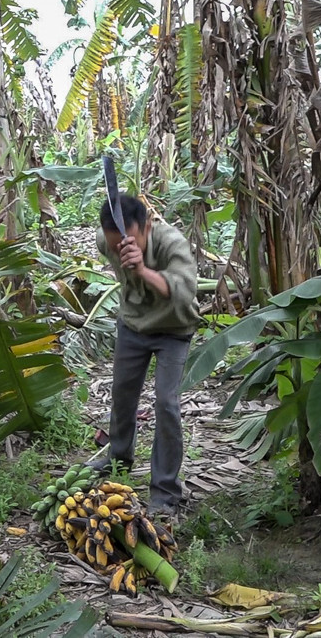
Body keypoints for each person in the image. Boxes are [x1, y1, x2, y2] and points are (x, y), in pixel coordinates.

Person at [87, 191, 202, 521]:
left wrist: (142, 269)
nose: (119, 249)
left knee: (167, 403)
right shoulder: (104, 240)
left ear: (147, 226)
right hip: (133, 326)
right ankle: (118, 457)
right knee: (122, 393)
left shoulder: (171, 243)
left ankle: (166, 491)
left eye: (128, 241)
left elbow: (184, 290)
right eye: (113, 245)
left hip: (174, 331)